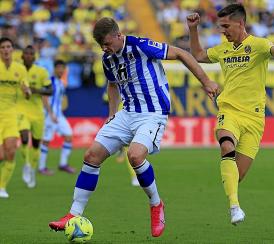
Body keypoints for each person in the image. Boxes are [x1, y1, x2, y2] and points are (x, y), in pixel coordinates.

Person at [49, 17, 218, 237]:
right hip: (126, 113)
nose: (105, 48)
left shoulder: (140, 46)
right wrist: (111, 113)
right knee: (91, 156)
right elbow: (112, 85)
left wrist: (206, 82)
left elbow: (182, 54)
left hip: (152, 113)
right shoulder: (108, 59)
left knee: (135, 156)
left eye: (108, 43)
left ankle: (156, 205)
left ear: (119, 35)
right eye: (102, 46)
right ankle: (73, 214)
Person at [187, 3, 274, 225]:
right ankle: (234, 207)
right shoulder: (222, 49)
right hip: (229, 110)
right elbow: (198, 55)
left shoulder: (258, 45)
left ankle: (233, 197)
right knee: (226, 144)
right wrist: (192, 29)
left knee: (237, 176)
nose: (223, 31)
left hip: (255, 118)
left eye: (226, 26)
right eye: (220, 27)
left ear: (240, 23)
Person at [18, 45, 53, 188]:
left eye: (31, 53)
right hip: (20, 110)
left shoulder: (41, 72)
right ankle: (26, 164)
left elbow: (50, 90)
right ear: (22, 56)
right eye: (26, 53)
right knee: (24, 138)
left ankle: (32, 168)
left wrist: (35, 90)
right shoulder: (17, 71)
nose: (28, 55)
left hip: (37, 112)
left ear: (35, 56)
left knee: (37, 143)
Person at [0, 37, 31, 198]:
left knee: (10, 153)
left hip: (11, 116)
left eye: (8, 47)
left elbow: (26, 90)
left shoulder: (19, 69)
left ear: (12, 50)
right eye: (3, 47)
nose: (6, 49)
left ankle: (2, 187)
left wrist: (27, 92)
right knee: (1, 155)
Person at [39, 60, 75, 175]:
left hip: (59, 115)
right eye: (58, 67)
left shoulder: (60, 82)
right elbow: (44, 98)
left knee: (69, 136)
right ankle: (42, 167)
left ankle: (63, 164)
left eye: (62, 68)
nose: (60, 70)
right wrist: (50, 113)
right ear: (54, 69)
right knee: (46, 141)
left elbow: (60, 99)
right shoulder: (49, 81)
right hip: (49, 115)